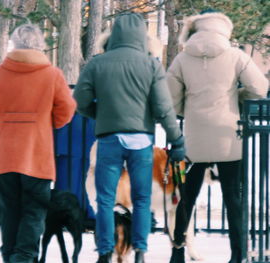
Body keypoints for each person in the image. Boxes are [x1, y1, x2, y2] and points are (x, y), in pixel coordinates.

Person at [74, 13, 185, 263]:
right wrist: (176, 140)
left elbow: (80, 101)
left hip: (109, 138)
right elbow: (164, 108)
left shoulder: (97, 63)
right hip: (141, 140)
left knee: (105, 199)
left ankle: (104, 252)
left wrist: (100, 115)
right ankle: (140, 252)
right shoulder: (151, 65)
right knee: (142, 200)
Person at [166, 9, 269, 263]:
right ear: (224, 30)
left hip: (193, 138)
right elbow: (259, 88)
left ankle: (177, 250)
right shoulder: (236, 56)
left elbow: (170, 98)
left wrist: (187, 110)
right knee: (234, 197)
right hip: (229, 135)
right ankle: (237, 253)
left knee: (185, 196)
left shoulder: (182, 58)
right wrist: (237, 99)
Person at [0, 24, 76, 263]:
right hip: (36, 152)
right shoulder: (52, 74)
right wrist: (47, 124)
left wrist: (4, 128)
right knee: (35, 210)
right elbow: (66, 110)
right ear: (40, 44)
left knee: (10, 211)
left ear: (14, 44)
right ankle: (24, 257)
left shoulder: (0, 73)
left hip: (4, 153)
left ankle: (10, 255)